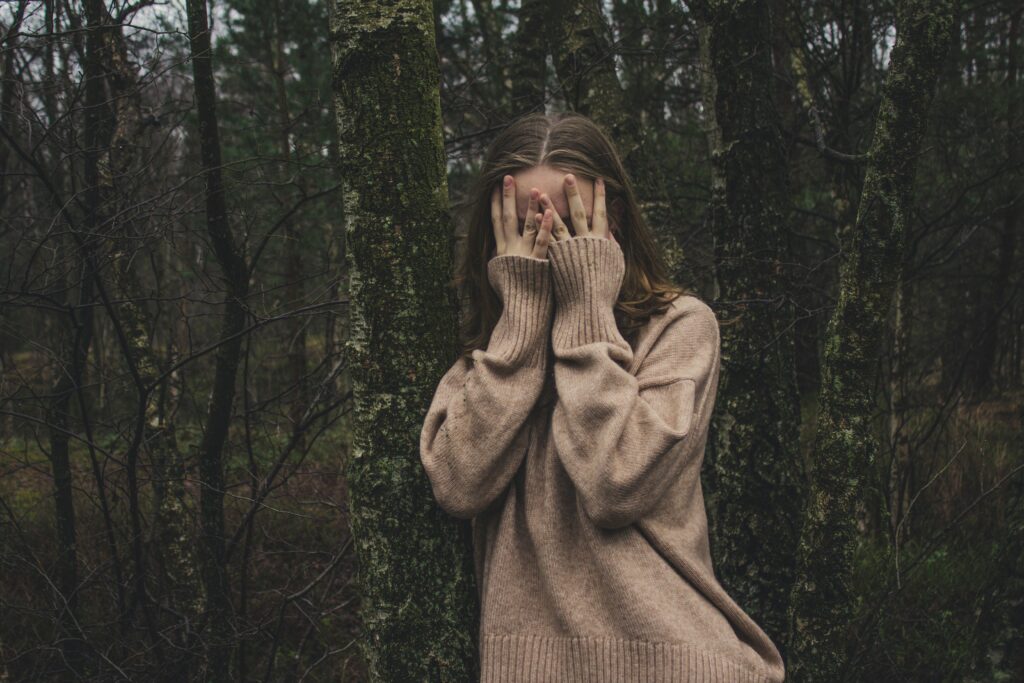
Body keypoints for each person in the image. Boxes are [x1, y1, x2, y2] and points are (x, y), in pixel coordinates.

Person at [419, 112, 786, 682]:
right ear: (495, 234)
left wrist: (587, 314)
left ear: (611, 215)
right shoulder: (488, 357)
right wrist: (518, 329)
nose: (546, 240)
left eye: (566, 221)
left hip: (679, 661)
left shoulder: (679, 328)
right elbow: (458, 483)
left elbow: (617, 482)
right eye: (524, 226)